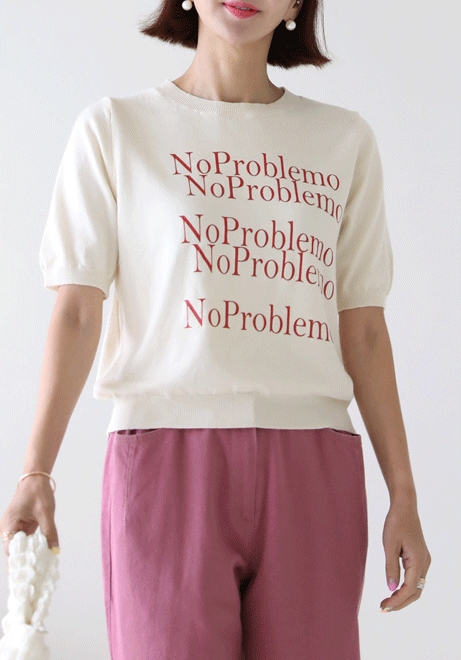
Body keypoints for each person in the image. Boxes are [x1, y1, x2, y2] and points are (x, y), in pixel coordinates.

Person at [1, 0, 431, 657]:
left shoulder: (343, 140)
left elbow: (364, 327)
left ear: (297, 5)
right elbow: (78, 310)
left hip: (313, 464)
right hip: (165, 460)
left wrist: (403, 493)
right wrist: (36, 470)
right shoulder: (116, 129)